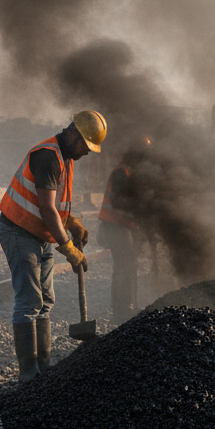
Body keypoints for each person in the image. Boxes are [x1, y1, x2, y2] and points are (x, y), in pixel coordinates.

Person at [0, 110, 107, 382]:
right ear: (73, 134)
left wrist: (72, 223)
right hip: (20, 231)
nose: (87, 152)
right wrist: (68, 247)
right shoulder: (48, 156)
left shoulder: (65, 157)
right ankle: (29, 374)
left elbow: (56, 207)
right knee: (29, 302)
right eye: (86, 145)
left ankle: (43, 371)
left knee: (45, 301)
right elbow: (47, 209)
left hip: (41, 234)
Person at [98, 136, 151, 325]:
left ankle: (128, 307)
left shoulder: (133, 173)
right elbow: (117, 201)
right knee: (124, 266)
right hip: (115, 226)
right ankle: (121, 310)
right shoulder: (122, 172)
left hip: (124, 226)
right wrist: (139, 207)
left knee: (129, 265)